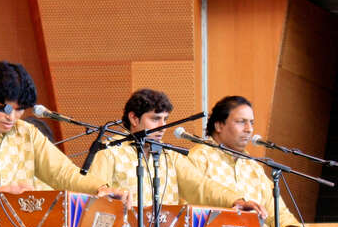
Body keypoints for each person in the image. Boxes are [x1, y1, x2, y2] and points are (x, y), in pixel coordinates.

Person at [0, 61, 130, 220]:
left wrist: (100, 189)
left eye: (19, 109)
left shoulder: (28, 133)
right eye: (7, 109)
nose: (12, 117)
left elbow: (63, 174)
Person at [87, 89, 267, 215]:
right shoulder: (109, 152)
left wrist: (236, 200)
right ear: (133, 118)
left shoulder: (170, 157)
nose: (162, 127)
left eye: (165, 119)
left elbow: (202, 186)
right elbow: (93, 194)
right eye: (155, 119)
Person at [187, 95, 305, 227]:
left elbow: (276, 210)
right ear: (219, 125)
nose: (249, 129)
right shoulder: (199, 158)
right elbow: (193, 213)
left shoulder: (253, 166)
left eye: (252, 123)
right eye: (241, 122)